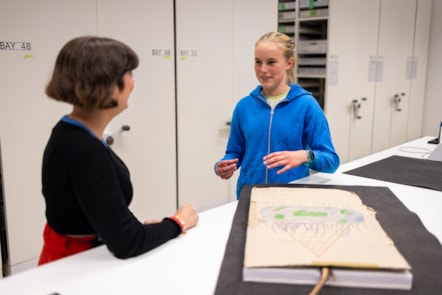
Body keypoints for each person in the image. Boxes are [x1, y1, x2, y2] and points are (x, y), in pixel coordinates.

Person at [38, 36, 198, 265]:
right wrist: (178, 222)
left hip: (74, 254)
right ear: (110, 86)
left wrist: (131, 227)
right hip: (78, 266)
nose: (133, 83)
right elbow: (127, 243)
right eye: (129, 75)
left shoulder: (67, 131)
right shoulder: (85, 151)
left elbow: (95, 211)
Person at [215, 32, 339, 199]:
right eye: (258, 62)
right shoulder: (244, 107)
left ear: (289, 63)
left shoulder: (306, 105)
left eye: (271, 62)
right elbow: (234, 152)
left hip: (292, 199)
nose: (263, 70)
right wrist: (223, 165)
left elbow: (331, 161)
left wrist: (304, 155)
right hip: (250, 197)